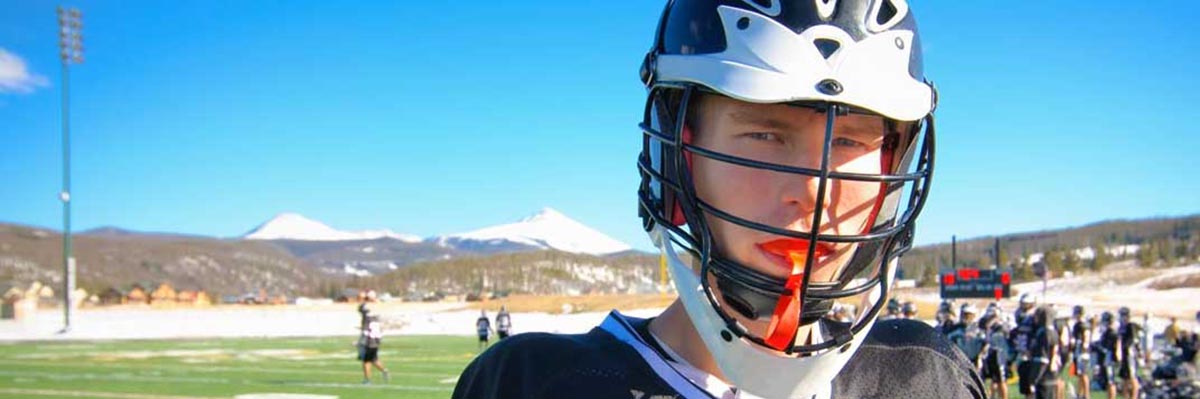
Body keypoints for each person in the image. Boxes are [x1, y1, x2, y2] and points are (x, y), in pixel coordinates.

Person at [453, 1, 985, 398]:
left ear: (894, 166)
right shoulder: (537, 385)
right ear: (680, 159)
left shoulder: (924, 378)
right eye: (765, 135)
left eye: (849, 142)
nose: (812, 194)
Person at [1027, 306, 1060, 399]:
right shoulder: (1053, 331)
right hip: (1052, 373)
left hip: (1044, 375)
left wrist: (1034, 377)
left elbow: (1042, 358)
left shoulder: (1044, 333)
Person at [979, 308, 1011, 399]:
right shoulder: (986, 326)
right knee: (992, 379)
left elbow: (999, 337)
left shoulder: (1001, 326)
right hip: (989, 354)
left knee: (1001, 380)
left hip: (999, 354)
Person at [1116, 307, 1141, 398]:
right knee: (1124, 378)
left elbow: (1132, 341)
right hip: (1124, 354)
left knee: (1132, 377)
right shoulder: (1121, 327)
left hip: (1130, 355)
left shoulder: (1131, 326)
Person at [1068, 305, 1092, 399]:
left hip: (1082, 352)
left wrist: (1083, 347)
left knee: (1083, 374)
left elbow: (1085, 337)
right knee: (1080, 374)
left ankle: (1086, 395)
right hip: (1079, 351)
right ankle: (1080, 394)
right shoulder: (1079, 324)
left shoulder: (1082, 325)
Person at [359, 315, 390, 384]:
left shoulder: (369, 324)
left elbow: (366, 334)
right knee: (374, 360)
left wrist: (359, 343)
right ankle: (384, 371)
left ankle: (367, 379)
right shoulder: (376, 325)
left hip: (369, 344)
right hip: (375, 344)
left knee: (366, 362)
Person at [1096, 312, 1119, 399]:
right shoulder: (1108, 332)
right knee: (1108, 382)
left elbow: (1109, 347)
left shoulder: (1112, 333)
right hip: (1107, 359)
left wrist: (1099, 347)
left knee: (1111, 381)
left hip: (1109, 359)